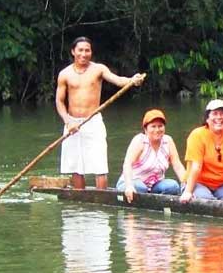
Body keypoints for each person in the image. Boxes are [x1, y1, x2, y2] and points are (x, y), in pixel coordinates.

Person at [56, 36, 144, 189]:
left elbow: (117, 80)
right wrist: (68, 121)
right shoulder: (65, 74)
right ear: (73, 52)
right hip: (72, 124)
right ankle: (79, 199)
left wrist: (131, 80)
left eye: (87, 50)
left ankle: (101, 200)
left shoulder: (98, 69)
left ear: (91, 52)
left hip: (93, 122)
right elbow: (59, 101)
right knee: (76, 167)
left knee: (100, 166)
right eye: (80, 50)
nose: (84, 54)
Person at [116, 109, 187, 203]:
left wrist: (187, 185)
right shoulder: (140, 141)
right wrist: (129, 186)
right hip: (131, 182)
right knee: (141, 188)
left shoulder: (168, 141)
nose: (157, 130)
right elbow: (127, 164)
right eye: (153, 126)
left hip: (154, 185)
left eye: (160, 126)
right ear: (146, 129)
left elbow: (177, 165)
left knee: (173, 186)